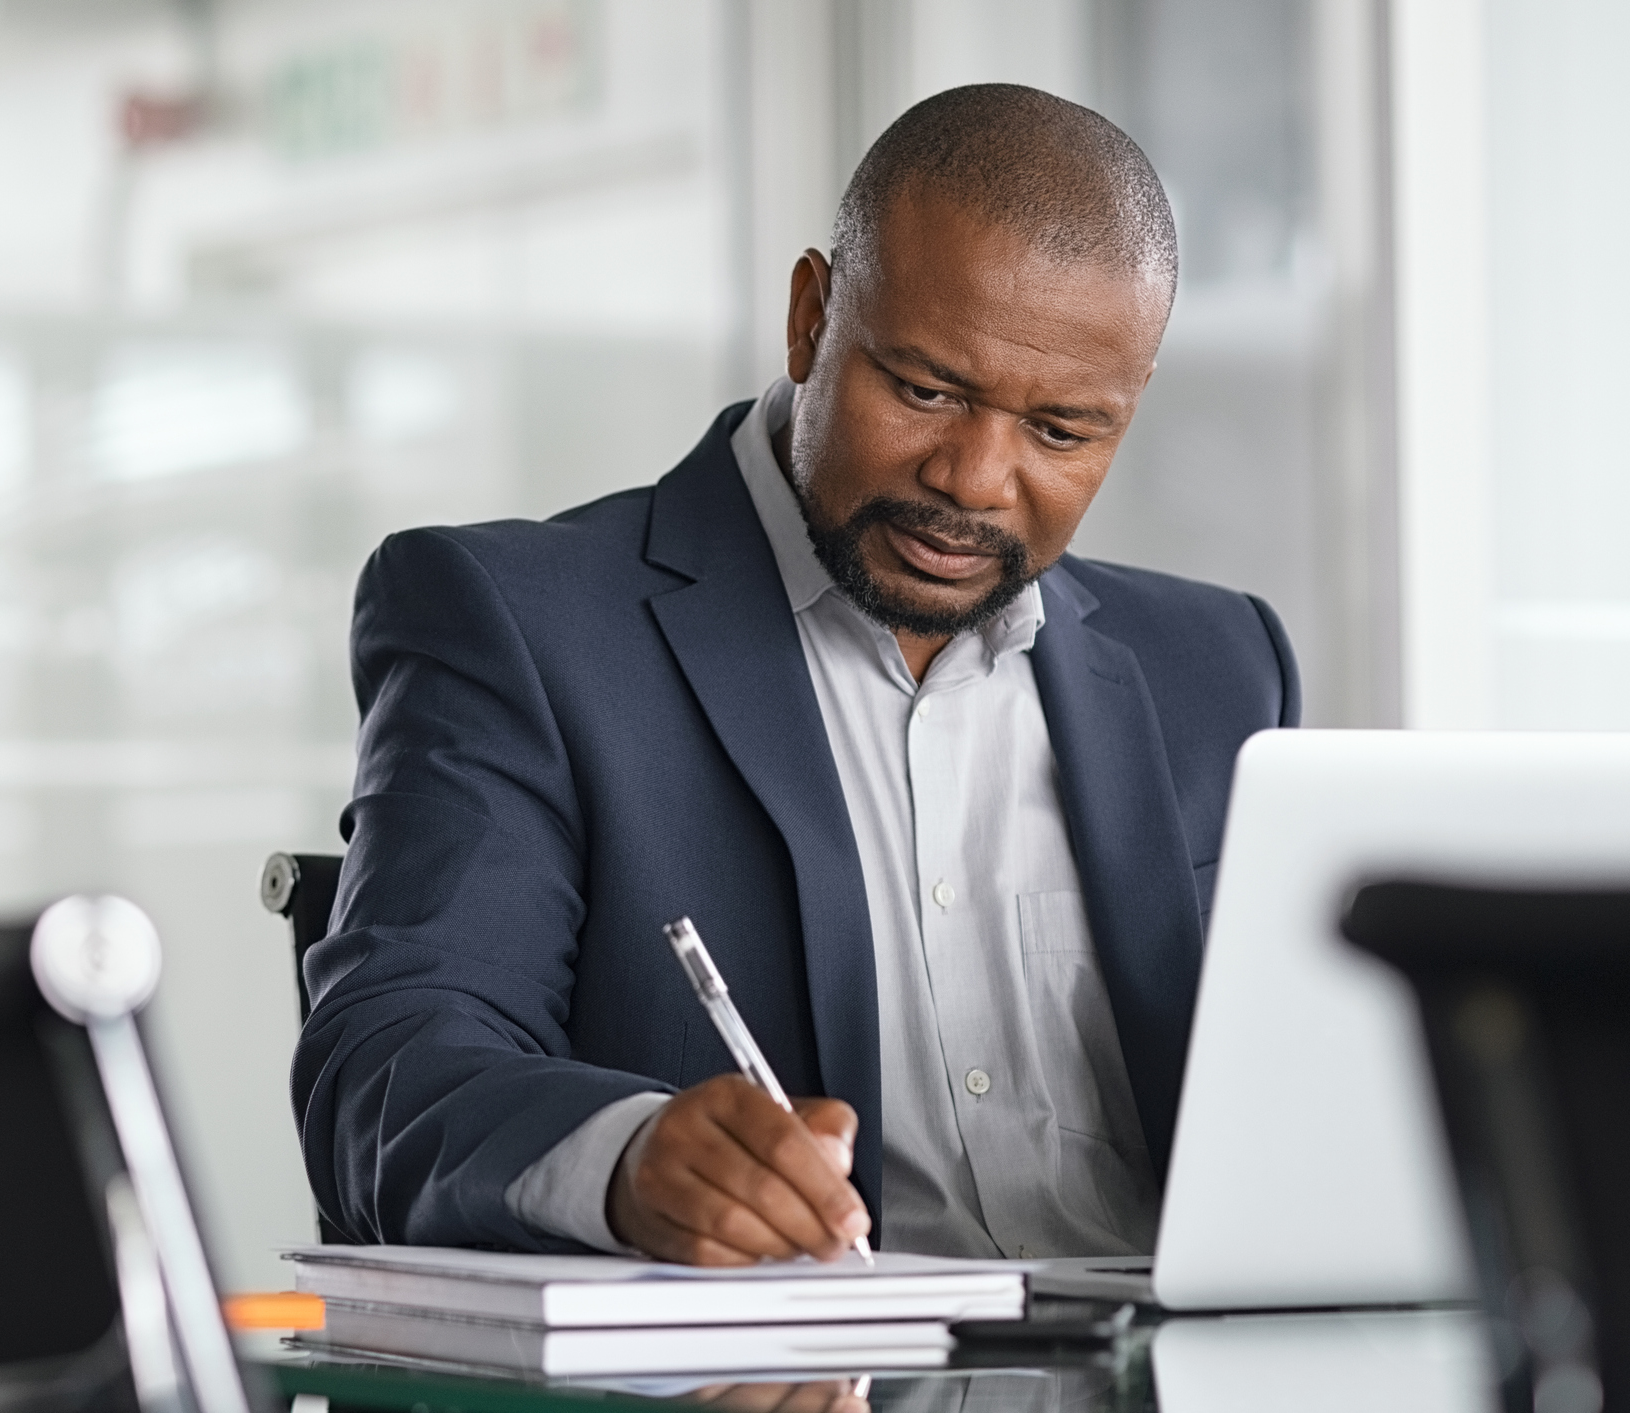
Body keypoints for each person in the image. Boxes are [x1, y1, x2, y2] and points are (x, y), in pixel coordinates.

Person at [292, 84, 1299, 1266]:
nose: (976, 478)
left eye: (1061, 431)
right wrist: (624, 1160)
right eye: (926, 390)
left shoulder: (1220, 668)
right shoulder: (519, 625)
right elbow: (391, 1063)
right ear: (810, 317)